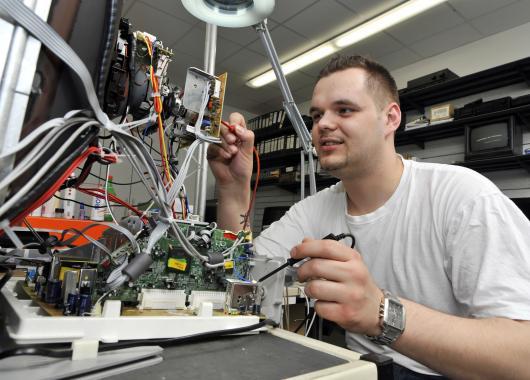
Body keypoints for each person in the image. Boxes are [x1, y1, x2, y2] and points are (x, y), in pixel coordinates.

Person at [207, 55, 530, 379]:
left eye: (344, 110)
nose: (323, 125)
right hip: (363, 368)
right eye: (317, 115)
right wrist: (234, 191)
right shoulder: (315, 208)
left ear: (390, 118)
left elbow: (521, 357)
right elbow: (243, 273)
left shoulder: (463, 197)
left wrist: (382, 313)